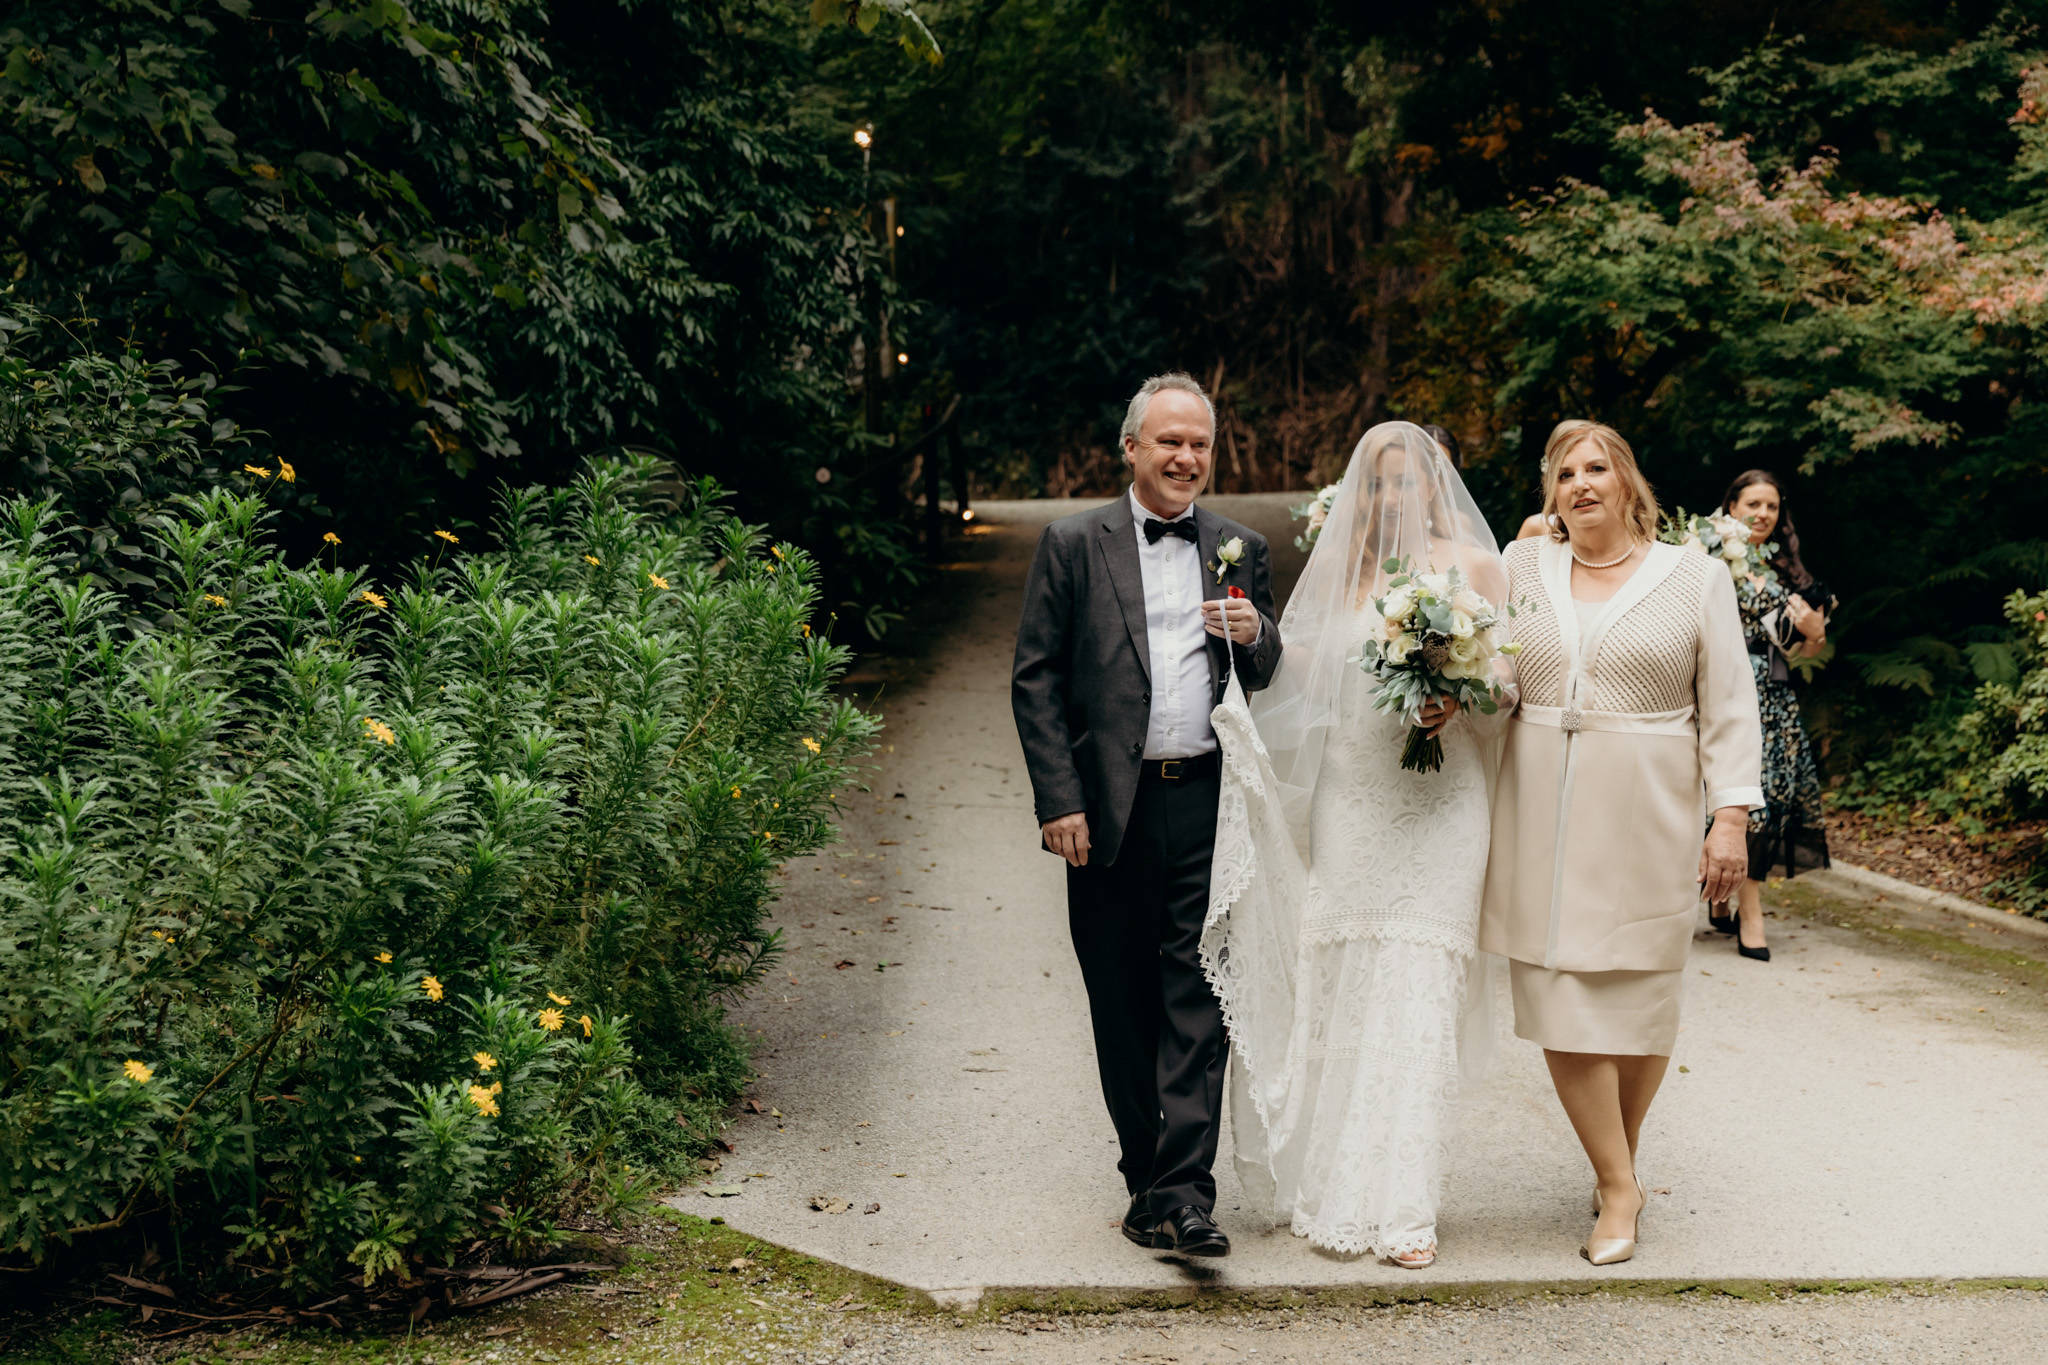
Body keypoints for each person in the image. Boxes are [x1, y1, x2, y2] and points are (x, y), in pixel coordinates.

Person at [1204, 422, 1510, 1270]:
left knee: (1418, 984)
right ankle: (1335, 1186)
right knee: (1345, 987)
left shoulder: (1476, 569)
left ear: (1434, 483)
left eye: (1406, 481)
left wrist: (1463, 695)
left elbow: (1513, 681)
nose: (1390, 497)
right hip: (1356, 797)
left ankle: (1406, 1205)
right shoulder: (1346, 570)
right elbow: (1309, 669)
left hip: (1444, 800)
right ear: (1357, 494)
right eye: (1376, 484)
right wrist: (1249, 634)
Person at [1011, 372, 1283, 1258]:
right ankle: (1145, 1178)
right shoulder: (1071, 544)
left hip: (1208, 802)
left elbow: (1270, 662)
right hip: (1107, 811)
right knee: (1121, 997)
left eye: (1199, 442)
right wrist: (1061, 800)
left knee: (1200, 990)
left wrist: (1255, 635)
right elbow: (1038, 679)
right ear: (1131, 448)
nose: (1186, 457)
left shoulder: (1239, 545)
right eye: (1169, 441)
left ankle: (1185, 1192)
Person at [1479, 420, 1763, 1267]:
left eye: (1597, 467)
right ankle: (1616, 1184)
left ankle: (1619, 1162)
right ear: (1551, 492)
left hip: (1649, 808)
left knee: (1640, 1005)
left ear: (1628, 480)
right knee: (1560, 997)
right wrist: (1452, 690)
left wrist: (1731, 817)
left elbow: (1730, 703)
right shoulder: (1522, 566)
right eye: (1565, 472)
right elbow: (1498, 678)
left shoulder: (1696, 575)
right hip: (1539, 807)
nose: (1582, 483)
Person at [1707, 469, 1832, 962]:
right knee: (1739, 802)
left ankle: (1727, 899)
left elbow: (1802, 651)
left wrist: (1815, 631)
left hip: (1775, 698)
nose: (1763, 514)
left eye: (1772, 507)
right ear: (1732, 507)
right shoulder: (1709, 557)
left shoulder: (1785, 569)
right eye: (1753, 504)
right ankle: (1749, 915)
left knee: (1770, 799)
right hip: (1724, 691)